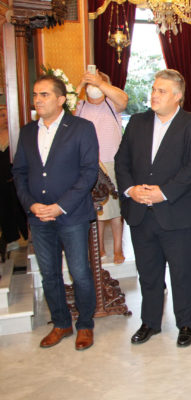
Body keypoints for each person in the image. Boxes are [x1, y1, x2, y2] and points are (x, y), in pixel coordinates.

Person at [115, 69, 191, 348]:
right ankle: (150, 322)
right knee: (148, 273)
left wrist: (163, 193)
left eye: (162, 91)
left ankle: (185, 323)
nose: (154, 95)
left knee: (182, 274)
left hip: (178, 213)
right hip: (141, 212)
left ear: (178, 96)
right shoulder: (137, 122)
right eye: (154, 89)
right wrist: (131, 190)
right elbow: (121, 161)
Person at [12, 75, 99, 350]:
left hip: (71, 215)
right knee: (49, 273)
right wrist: (31, 204)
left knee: (79, 272)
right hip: (38, 217)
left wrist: (60, 206)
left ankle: (85, 324)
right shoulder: (28, 132)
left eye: (44, 94)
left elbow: (89, 172)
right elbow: (19, 172)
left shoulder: (82, 128)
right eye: (35, 94)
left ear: (61, 99)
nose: (37, 100)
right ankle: (61, 323)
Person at [75, 69, 128, 265]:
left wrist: (101, 82)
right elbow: (64, 106)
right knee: (95, 210)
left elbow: (124, 99)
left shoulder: (111, 105)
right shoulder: (80, 106)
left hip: (111, 162)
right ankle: (99, 248)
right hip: (87, 164)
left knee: (115, 210)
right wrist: (81, 83)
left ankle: (118, 248)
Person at [0, 106, 28, 261]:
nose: (5, 119)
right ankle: (11, 238)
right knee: (4, 209)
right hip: (1, 181)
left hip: (16, 179)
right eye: (1, 116)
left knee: (20, 207)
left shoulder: (16, 135)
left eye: (6, 115)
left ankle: (27, 236)